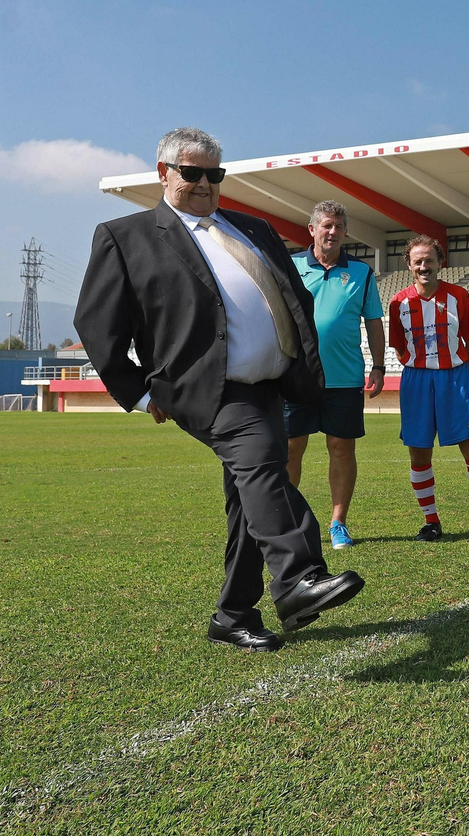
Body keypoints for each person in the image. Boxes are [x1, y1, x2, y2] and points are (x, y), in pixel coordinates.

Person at [75, 127, 362, 652]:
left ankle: (232, 613)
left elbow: (293, 296)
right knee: (263, 466)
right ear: (163, 173)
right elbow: (97, 324)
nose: (206, 183)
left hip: (269, 384)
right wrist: (139, 393)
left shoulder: (253, 227)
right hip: (205, 388)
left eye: (215, 174)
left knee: (247, 496)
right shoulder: (125, 236)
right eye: (192, 173)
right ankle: (298, 576)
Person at [284, 201, 385, 550]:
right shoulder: (290, 266)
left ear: (345, 232)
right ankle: (285, 522)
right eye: (326, 225)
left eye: (339, 226)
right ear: (312, 229)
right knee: (290, 448)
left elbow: (373, 322)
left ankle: (338, 523)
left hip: (344, 378)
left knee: (341, 448)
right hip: (297, 377)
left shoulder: (361, 272)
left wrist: (378, 365)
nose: (333, 231)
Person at [389, 235, 469, 542]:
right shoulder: (398, 301)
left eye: (429, 260)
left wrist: (463, 363)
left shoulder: (459, 296)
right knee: (419, 454)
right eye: (418, 261)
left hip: (454, 378)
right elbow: (398, 346)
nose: (424, 266)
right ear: (409, 265)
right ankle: (431, 521)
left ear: (440, 263)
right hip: (417, 381)